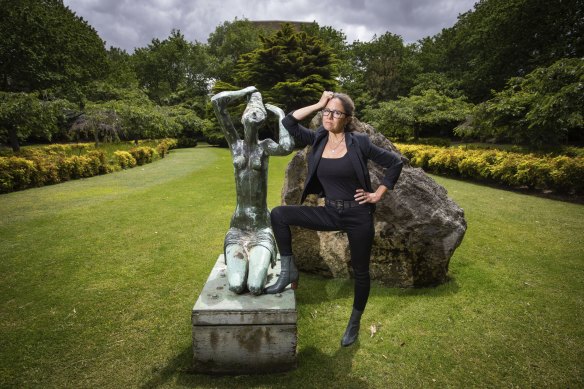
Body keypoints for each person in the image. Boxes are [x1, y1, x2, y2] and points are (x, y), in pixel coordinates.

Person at [265, 91, 403, 347]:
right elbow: (288, 122)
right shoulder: (318, 139)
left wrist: (377, 194)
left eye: (336, 112)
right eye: (327, 111)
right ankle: (288, 270)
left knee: (361, 272)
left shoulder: (358, 142)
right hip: (329, 212)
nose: (329, 116)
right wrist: (319, 103)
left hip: (358, 215)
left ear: (347, 118)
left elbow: (395, 162)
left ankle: (354, 323)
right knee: (279, 214)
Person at [211, 86, 294, 295]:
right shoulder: (235, 144)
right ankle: (243, 262)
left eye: (258, 113)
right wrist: (248, 91)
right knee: (237, 285)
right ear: (242, 116)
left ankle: (260, 261)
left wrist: (281, 116)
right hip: (238, 227)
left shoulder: (264, 147)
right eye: (250, 110)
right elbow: (217, 102)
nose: (253, 116)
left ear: (263, 120)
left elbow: (287, 146)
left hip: (260, 228)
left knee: (255, 287)